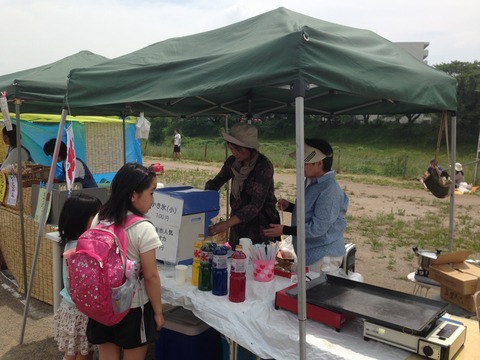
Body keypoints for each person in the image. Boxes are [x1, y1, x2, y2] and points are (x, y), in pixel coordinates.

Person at [86, 163, 164, 360]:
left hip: (104, 302)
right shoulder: (144, 228)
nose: (153, 199)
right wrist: (158, 312)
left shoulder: (100, 217)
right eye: (151, 192)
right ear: (133, 195)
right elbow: (151, 276)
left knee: (107, 355)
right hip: (134, 307)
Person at [263, 139, 348, 274]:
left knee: (315, 293)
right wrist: (291, 207)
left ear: (319, 163)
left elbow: (317, 228)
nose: (300, 165)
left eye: (305, 162)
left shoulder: (329, 190)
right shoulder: (312, 182)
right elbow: (313, 210)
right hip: (310, 253)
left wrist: (285, 230)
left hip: (323, 257)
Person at [205, 123, 280, 248]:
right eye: (232, 149)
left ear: (250, 148)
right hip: (237, 224)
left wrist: (226, 224)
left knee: (254, 260)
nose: (235, 153)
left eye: (239, 150)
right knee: (235, 257)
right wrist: (204, 197)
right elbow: (216, 182)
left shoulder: (263, 165)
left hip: (259, 225)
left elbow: (255, 205)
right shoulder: (232, 162)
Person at [53, 193, 102, 360]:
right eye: (96, 216)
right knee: (84, 353)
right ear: (82, 220)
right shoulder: (84, 247)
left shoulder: (70, 242)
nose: (100, 220)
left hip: (69, 307)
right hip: (83, 310)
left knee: (72, 351)